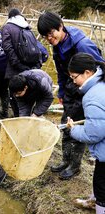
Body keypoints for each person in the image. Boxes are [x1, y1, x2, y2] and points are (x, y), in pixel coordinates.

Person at [37, 11, 105, 179]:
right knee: (66, 125)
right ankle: (66, 160)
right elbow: (61, 72)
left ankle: (75, 165)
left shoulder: (82, 45)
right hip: (69, 89)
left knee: (78, 128)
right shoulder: (57, 45)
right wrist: (61, 91)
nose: (49, 38)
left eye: (51, 33)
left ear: (61, 26)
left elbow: (99, 71)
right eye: (46, 36)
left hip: (84, 93)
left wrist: (91, 97)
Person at [67, 52, 105, 214]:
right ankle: (93, 201)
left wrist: (73, 129)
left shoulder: (92, 97)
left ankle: (99, 206)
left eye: (75, 77)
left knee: (102, 186)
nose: (74, 81)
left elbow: (93, 134)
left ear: (88, 73)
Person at [1, 8, 47, 117]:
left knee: (16, 95)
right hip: (31, 68)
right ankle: (30, 117)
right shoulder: (27, 27)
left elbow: (8, 48)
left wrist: (18, 65)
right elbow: (37, 47)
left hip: (15, 70)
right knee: (28, 93)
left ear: (10, 17)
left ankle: (19, 119)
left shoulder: (7, 28)